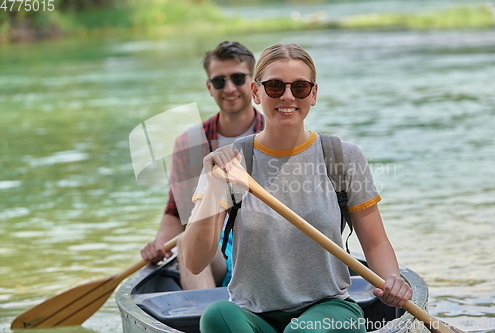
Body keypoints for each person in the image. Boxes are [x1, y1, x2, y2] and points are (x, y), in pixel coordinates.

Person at [182, 43, 413, 333]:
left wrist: (392, 279)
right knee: (216, 316)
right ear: (256, 92)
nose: (288, 96)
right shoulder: (231, 162)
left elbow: (376, 242)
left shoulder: (341, 155)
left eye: (300, 87)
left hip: (329, 311)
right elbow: (194, 261)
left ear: (313, 94)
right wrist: (214, 186)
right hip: (253, 316)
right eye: (275, 86)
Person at [140, 41, 264, 290]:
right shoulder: (189, 143)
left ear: (253, 84)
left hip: (266, 247)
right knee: (187, 239)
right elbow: (178, 210)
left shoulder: (275, 136)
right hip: (213, 252)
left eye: (238, 79)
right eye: (219, 81)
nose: (229, 88)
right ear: (209, 87)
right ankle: (204, 320)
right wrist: (160, 243)